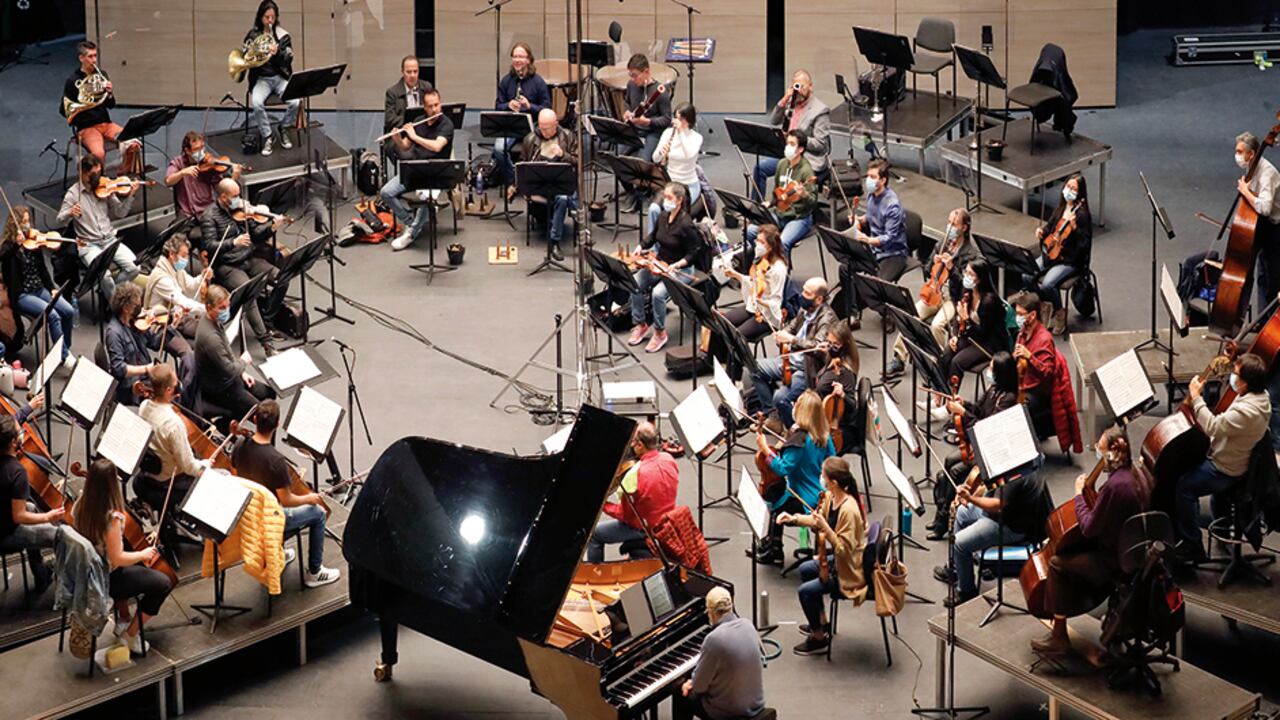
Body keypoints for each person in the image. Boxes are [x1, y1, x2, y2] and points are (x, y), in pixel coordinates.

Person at [1031, 429, 1151, 658]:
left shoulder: (1115, 487)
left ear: (1114, 451)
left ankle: (1059, 637)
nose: (1098, 451)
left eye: (1101, 448)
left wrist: (1078, 495)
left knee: (1057, 562)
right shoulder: (1133, 474)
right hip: (1133, 553)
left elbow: (1088, 528)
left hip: (1112, 561)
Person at [231, 400, 341, 588]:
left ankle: (278, 552)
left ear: (255, 419)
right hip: (269, 520)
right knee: (319, 513)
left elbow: (235, 471)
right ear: (277, 425)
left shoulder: (240, 444)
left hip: (249, 516)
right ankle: (315, 572)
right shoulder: (275, 460)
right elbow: (287, 500)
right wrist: (310, 498)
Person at [1174, 352, 1270, 562]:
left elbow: (1213, 427)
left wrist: (1196, 397)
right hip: (1237, 458)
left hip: (1225, 468)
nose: (1232, 378)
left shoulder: (1247, 412)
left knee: (1184, 487)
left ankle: (1193, 544)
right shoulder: (1261, 397)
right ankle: (1223, 531)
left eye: (1236, 374)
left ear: (1245, 383)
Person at [72, 457, 173, 655]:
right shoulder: (112, 518)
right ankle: (130, 635)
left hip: (87, 574)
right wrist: (142, 553)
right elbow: (117, 559)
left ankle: (123, 618)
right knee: (163, 583)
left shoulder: (80, 504)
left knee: (129, 556)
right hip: (106, 580)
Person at [927, 352, 1020, 539]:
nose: (989, 370)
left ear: (1001, 373)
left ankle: (943, 522)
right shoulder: (994, 389)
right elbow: (978, 409)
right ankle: (942, 513)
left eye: (992, 368)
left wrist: (962, 412)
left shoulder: (1008, 399)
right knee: (948, 461)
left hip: (991, 451)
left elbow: (987, 428)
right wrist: (965, 404)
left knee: (954, 472)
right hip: (979, 444)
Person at [781, 456, 867, 655]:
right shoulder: (831, 497)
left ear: (834, 482)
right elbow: (816, 520)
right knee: (805, 569)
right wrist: (792, 519)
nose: (821, 478)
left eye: (823, 475)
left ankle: (818, 638)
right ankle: (821, 622)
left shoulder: (849, 510)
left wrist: (826, 528)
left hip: (850, 570)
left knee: (805, 591)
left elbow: (843, 550)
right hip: (840, 561)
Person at [939, 466, 1053, 607]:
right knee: (962, 512)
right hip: (1003, 515)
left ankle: (966, 591)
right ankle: (956, 569)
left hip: (1010, 526)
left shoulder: (1015, 477)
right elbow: (995, 486)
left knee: (958, 543)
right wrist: (976, 493)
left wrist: (970, 498)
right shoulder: (1024, 463)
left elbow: (997, 505)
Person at [886, 208, 974, 378]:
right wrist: (932, 263)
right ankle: (899, 358)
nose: (949, 227)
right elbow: (927, 270)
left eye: (954, 224)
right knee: (909, 316)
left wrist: (952, 268)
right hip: (935, 292)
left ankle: (940, 363)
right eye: (949, 223)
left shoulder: (969, 254)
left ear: (964, 227)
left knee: (937, 325)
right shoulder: (942, 244)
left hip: (953, 299)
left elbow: (966, 286)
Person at [753, 390, 837, 565]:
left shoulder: (800, 441)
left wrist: (765, 449)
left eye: (797, 404)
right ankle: (772, 545)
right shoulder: (824, 434)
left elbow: (783, 468)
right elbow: (832, 461)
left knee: (772, 497)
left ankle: (775, 551)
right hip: (820, 492)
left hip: (802, 496)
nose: (793, 406)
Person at [201, 178, 285, 351]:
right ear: (223, 197)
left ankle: (267, 319)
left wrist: (272, 228)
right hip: (227, 265)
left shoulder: (242, 210)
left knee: (282, 278)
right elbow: (209, 246)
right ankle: (266, 342)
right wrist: (233, 242)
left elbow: (256, 235)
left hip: (248, 258)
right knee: (249, 291)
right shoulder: (209, 216)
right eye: (235, 196)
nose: (240, 200)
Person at [626, 183, 702, 354]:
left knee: (658, 294)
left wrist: (676, 265)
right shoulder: (662, 216)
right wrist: (641, 246)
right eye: (665, 197)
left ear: (679, 200)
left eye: (669, 198)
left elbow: (693, 253)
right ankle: (640, 323)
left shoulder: (686, 224)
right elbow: (653, 237)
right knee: (634, 282)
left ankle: (660, 332)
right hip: (660, 264)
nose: (665, 200)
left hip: (680, 269)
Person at [748, 277, 837, 424]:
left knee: (780, 398)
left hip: (808, 368)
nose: (802, 295)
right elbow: (792, 327)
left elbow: (816, 346)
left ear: (819, 299)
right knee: (754, 367)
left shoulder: (826, 319)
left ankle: (792, 432)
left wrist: (791, 339)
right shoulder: (806, 309)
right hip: (789, 359)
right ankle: (773, 415)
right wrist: (781, 334)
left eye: (807, 293)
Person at [586, 422, 677, 563]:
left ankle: (595, 575)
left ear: (640, 445)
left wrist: (601, 504)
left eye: (633, 442)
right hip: (667, 522)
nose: (632, 445)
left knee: (594, 535)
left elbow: (624, 515)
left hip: (643, 528)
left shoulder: (634, 475)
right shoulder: (669, 459)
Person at [673, 586, 765, 720]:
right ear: (731, 606)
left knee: (681, 693)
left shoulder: (714, 640)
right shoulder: (748, 625)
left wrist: (691, 682)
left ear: (711, 612)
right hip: (755, 704)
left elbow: (699, 687)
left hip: (730, 713)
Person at [57, 154, 140, 302]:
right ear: (82, 172)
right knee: (104, 276)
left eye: (99, 173)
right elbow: (60, 219)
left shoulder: (105, 187)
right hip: (89, 245)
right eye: (93, 174)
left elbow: (120, 213)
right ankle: (116, 307)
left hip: (109, 240)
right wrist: (70, 212)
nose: (98, 178)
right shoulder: (73, 194)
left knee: (134, 267)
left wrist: (130, 196)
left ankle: (111, 297)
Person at [381, 88, 454, 252]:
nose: (434, 109)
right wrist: (397, 138)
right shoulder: (419, 121)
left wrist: (414, 137)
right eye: (430, 106)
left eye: (437, 105)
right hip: (414, 170)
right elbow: (405, 147)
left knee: (426, 196)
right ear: (424, 107)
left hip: (436, 173)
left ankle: (411, 234)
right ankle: (410, 223)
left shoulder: (446, 124)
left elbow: (436, 147)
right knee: (386, 192)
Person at [1, 206, 75, 368]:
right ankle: (65, 357)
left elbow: (42, 269)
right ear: (15, 224)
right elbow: (3, 256)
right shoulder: (8, 246)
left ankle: (65, 349)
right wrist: (16, 245)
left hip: (40, 289)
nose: (28, 225)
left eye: (28, 221)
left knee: (68, 311)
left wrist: (52, 288)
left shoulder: (34, 242)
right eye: (24, 222)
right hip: (23, 295)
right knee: (53, 315)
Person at [194, 284, 276, 418]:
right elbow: (229, 370)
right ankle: (229, 423)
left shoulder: (212, 320)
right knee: (263, 414)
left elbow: (226, 348)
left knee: (269, 394)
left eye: (227, 305)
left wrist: (242, 373)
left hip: (229, 377)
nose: (226, 310)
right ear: (209, 307)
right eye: (221, 308)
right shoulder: (211, 339)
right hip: (219, 388)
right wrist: (243, 362)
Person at [1024, 173, 1091, 336]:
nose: (1069, 190)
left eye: (1074, 189)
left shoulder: (1081, 215)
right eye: (1068, 186)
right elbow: (1051, 227)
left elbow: (1085, 246)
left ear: (1080, 193)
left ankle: (1060, 314)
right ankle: (1045, 306)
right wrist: (1042, 231)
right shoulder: (1061, 208)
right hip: (1051, 253)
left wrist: (1075, 229)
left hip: (1069, 260)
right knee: (1026, 274)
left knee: (1048, 284)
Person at [0, 411, 59, 594]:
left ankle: (41, 574)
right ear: (12, 443)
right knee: (59, 535)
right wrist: (47, 516)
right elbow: (18, 516)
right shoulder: (17, 472)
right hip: (4, 534)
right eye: (19, 433)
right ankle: (68, 585)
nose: (22, 434)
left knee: (32, 507)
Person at [60, 40, 140, 173]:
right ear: (81, 58)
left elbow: (111, 105)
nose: (94, 60)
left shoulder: (101, 75)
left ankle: (124, 172)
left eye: (95, 56)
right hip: (87, 127)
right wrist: (82, 107)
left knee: (133, 144)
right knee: (98, 154)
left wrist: (109, 94)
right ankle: (97, 183)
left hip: (105, 123)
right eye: (90, 56)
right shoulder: (73, 81)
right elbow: (63, 110)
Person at [137, 364, 207, 513]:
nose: (178, 385)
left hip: (149, 474)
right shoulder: (173, 423)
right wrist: (205, 465)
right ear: (168, 390)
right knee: (208, 480)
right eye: (176, 383)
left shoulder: (143, 406)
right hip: (167, 482)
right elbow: (188, 467)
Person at [753, 69, 831, 198]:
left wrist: (798, 140)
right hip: (787, 153)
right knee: (760, 168)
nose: (799, 90)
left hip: (807, 157)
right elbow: (774, 121)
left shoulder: (820, 110)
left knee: (785, 176)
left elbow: (821, 145)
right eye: (796, 86)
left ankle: (781, 207)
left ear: (810, 86)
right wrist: (784, 99)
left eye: (802, 86)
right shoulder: (791, 103)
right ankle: (756, 208)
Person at [745, 129, 817, 259]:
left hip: (798, 218)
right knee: (750, 231)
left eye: (792, 144)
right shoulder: (782, 164)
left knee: (783, 243)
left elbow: (812, 202)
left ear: (800, 149)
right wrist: (771, 203)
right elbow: (778, 191)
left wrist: (804, 195)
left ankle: (783, 276)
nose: (788, 147)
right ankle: (766, 263)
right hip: (779, 215)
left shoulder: (807, 172)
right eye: (787, 143)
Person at [935, 259, 1010, 382]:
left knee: (956, 362)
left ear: (980, 279)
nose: (966, 277)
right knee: (947, 353)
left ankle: (952, 399)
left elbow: (983, 333)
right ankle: (938, 396)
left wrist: (967, 319)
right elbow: (957, 317)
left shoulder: (988, 301)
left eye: (971, 274)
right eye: (966, 272)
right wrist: (954, 335)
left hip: (989, 344)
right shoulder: (967, 292)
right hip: (972, 336)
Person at [520, 108, 578, 261]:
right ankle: (577, 215)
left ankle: (554, 242)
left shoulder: (568, 136)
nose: (543, 132)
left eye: (547, 128)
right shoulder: (530, 139)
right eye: (540, 127)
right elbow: (522, 167)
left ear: (556, 125)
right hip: (539, 185)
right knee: (567, 199)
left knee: (563, 198)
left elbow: (579, 163)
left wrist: (562, 155)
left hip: (561, 184)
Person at [492, 43, 550, 191]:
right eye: (515, 56)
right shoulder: (506, 81)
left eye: (521, 56)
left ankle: (530, 182)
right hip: (511, 125)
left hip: (532, 126)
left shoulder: (538, 82)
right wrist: (508, 105)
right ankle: (514, 181)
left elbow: (547, 108)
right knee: (498, 149)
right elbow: (498, 105)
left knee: (536, 150)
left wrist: (530, 106)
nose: (517, 60)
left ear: (529, 60)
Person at [244, 0, 299, 156]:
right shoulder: (253, 35)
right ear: (261, 17)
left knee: (295, 102)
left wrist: (278, 53)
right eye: (266, 17)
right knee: (256, 102)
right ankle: (268, 136)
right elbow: (244, 56)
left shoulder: (283, 36)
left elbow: (288, 60)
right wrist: (253, 53)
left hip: (280, 77)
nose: (269, 21)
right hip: (262, 79)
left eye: (272, 18)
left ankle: (284, 128)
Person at [1235, 131, 1280, 314]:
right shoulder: (1252, 166)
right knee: (1261, 274)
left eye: (1239, 151)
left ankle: (1273, 324)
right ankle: (1261, 320)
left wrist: (1245, 191)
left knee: (1273, 278)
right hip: (1262, 224)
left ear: (1251, 154)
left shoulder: (1266, 173)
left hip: (1276, 227)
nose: (1237, 156)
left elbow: (1265, 208)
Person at [165, 131, 241, 238]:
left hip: (207, 209)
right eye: (197, 150)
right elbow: (168, 181)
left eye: (202, 148)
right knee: (176, 236)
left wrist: (234, 178)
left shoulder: (209, 164)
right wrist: (182, 172)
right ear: (187, 150)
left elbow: (221, 189)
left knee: (227, 230)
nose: (201, 153)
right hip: (186, 212)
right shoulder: (177, 163)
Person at [721, 224, 788, 342]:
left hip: (766, 316)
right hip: (753, 307)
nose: (757, 244)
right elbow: (754, 282)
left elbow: (776, 301)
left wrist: (761, 301)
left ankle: (735, 360)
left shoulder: (778, 269)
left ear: (771, 246)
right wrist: (734, 274)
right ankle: (718, 359)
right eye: (757, 240)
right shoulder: (761, 259)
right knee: (721, 323)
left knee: (735, 337)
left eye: (762, 242)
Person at [143, 236, 212, 349]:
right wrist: (207, 309)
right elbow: (183, 302)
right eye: (183, 255)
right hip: (161, 325)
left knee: (207, 332)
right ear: (171, 254)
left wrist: (202, 277)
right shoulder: (162, 279)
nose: (186, 259)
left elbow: (190, 286)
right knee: (195, 347)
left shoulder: (175, 268)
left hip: (176, 316)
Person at [104, 284, 167, 405]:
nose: (140, 308)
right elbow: (118, 369)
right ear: (126, 308)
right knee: (168, 393)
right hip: (131, 386)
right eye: (136, 305)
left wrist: (168, 324)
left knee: (174, 385)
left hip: (146, 374)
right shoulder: (114, 333)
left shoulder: (134, 322)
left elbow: (154, 343)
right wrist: (146, 369)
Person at [850, 158, 909, 283]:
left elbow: (889, 238)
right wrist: (858, 219)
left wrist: (867, 240)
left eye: (872, 177)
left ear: (883, 180)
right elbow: (870, 217)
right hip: (875, 250)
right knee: (846, 269)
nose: (868, 180)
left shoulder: (892, 205)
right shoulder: (872, 195)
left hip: (893, 253)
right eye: (868, 176)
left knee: (877, 285)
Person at [648, 103, 704, 233]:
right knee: (654, 209)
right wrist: (662, 152)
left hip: (688, 185)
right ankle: (653, 248)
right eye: (676, 118)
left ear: (688, 120)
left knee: (675, 214)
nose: (677, 122)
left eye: (680, 119)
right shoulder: (668, 133)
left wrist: (681, 133)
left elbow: (689, 155)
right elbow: (655, 159)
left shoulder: (696, 137)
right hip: (670, 183)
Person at [1009, 290, 1057, 431]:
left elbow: (1048, 372)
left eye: (1020, 314)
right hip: (1022, 385)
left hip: (1037, 393)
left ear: (1033, 315)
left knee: (1012, 413)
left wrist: (1030, 357)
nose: (1018, 318)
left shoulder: (1044, 339)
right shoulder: (1022, 332)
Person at [810, 320, 861, 446]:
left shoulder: (845, 372)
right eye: (829, 342)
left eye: (835, 344)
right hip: (822, 415)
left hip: (839, 427)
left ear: (845, 345)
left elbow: (852, 406)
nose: (831, 347)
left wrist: (843, 394)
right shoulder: (832, 357)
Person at [621, 54, 673, 162]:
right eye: (630, 74)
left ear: (647, 72)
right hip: (634, 129)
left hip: (653, 132)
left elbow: (667, 119)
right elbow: (627, 102)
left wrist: (648, 122)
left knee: (643, 163)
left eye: (635, 75)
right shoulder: (631, 85)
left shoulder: (660, 92)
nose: (632, 79)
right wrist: (627, 111)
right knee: (619, 158)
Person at [383, 55, 434, 153]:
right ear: (402, 72)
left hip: (423, 132)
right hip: (401, 135)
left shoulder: (427, 87)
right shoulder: (392, 92)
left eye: (415, 71)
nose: (412, 75)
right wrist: (409, 122)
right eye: (409, 72)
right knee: (411, 153)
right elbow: (389, 119)